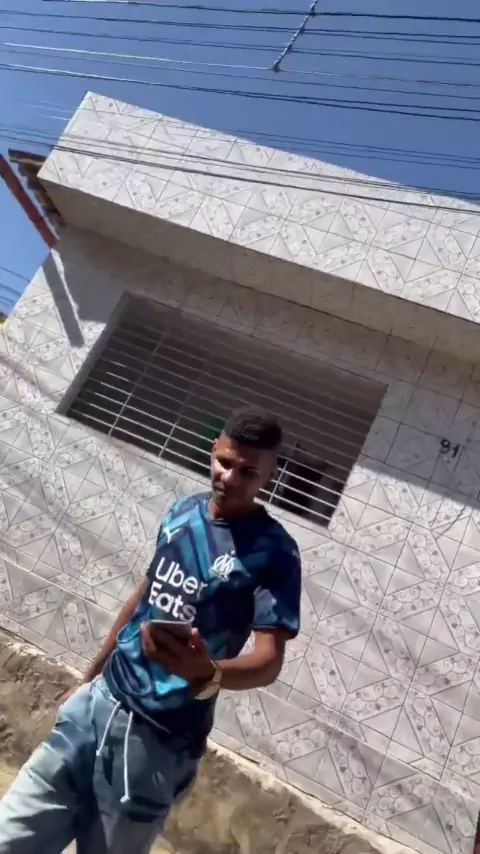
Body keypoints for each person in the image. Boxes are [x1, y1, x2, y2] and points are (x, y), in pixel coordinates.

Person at [0, 406, 302, 854]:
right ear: (214, 450)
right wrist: (88, 680)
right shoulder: (183, 512)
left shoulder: (275, 552)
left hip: (157, 743)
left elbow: (268, 661)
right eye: (223, 462)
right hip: (96, 707)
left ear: (269, 476)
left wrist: (208, 673)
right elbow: (143, 599)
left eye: (247, 472)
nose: (229, 478)